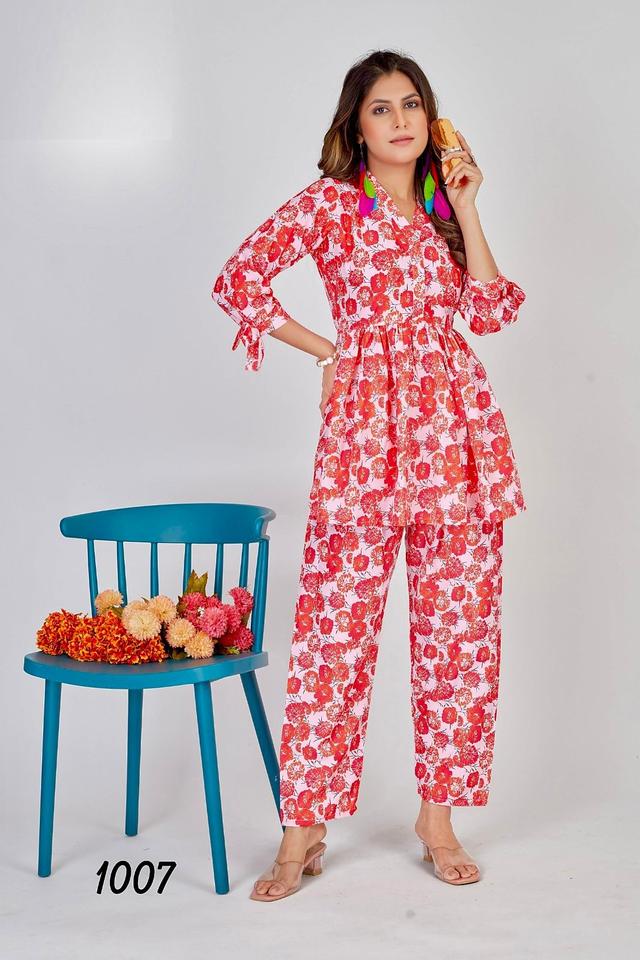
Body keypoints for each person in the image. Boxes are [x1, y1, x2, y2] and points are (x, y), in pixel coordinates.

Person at [211, 49, 527, 900]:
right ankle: (303, 826)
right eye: (381, 108)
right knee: (333, 635)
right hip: (363, 439)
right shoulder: (330, 203)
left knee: (460, 636)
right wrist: (329, 350)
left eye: (412, 104)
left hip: (456, 439)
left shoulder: (441, 205)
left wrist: (467, 206)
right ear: (356, 125)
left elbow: (489, 311)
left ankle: (438, 819)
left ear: (430, 117)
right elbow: (238, 279)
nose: (400, 120)